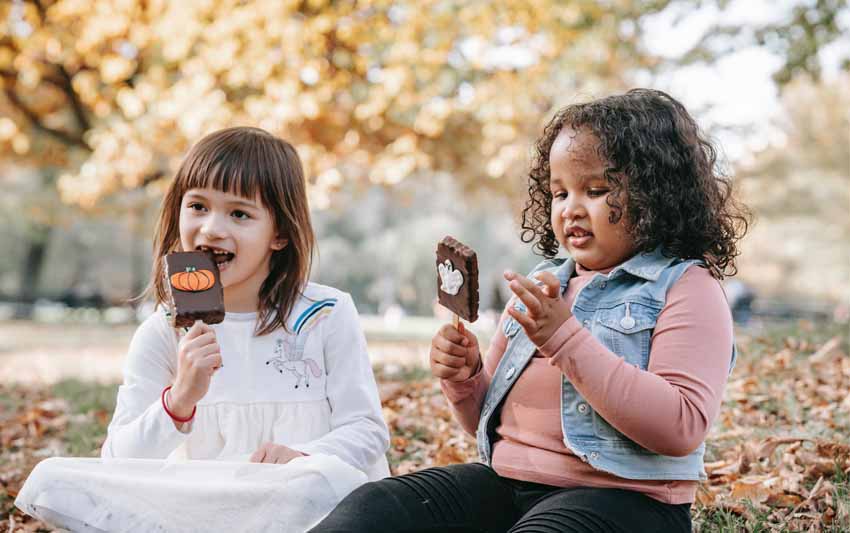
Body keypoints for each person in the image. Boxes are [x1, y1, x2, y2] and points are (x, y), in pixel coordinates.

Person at [310, 89, 751, 533]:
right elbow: (486, 419)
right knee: (377, 505)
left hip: (624, 502)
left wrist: (565, 339)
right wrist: (465, 379)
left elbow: (681, 426)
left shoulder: (687, 289)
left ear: (657, 195)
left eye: (596, 190)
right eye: (560, 193)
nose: (571, 209)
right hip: (506, 486)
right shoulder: (542, 287)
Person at [16, 127, 390, 533]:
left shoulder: (325, 315)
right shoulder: (162, 332)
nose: (212, 228)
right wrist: (179, 400)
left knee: (325, 486)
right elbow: (118, 461)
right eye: (197, 206)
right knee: (53, 478)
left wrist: (303, 456)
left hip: (299, 496)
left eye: (239, 213)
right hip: (203, 502)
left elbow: (366, 430)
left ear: (279, 233)